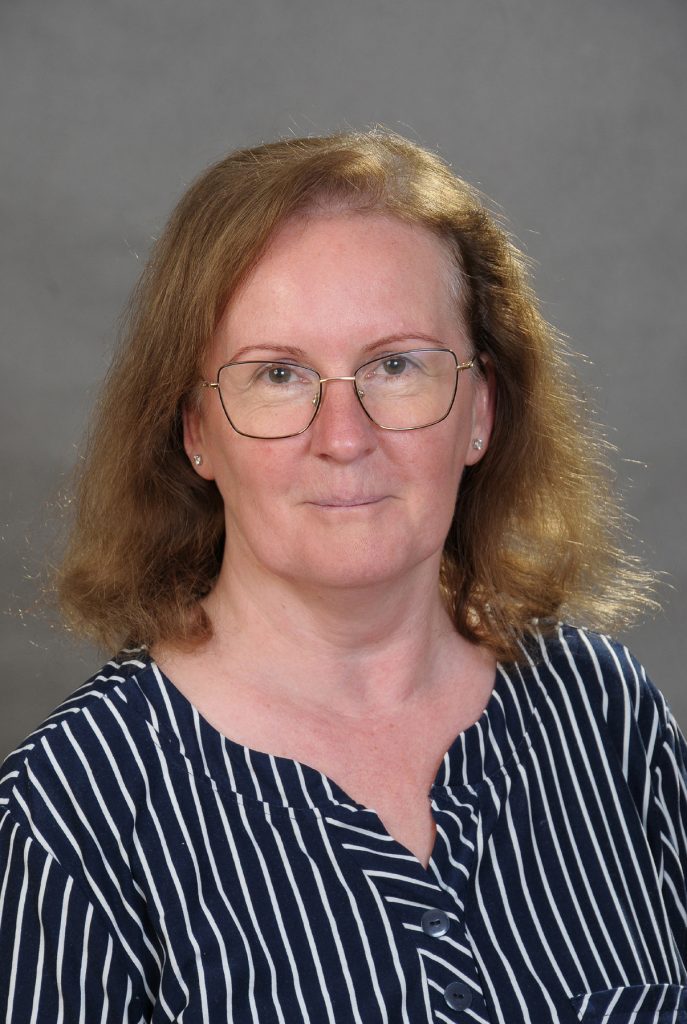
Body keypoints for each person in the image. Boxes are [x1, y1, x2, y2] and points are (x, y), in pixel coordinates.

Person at [0, 129, 685, 1023]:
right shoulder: (70, 813)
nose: (343, 436)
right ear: (196, 431)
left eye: (394, 365)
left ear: (480, 409)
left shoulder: (601, 714)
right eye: (279, 374)